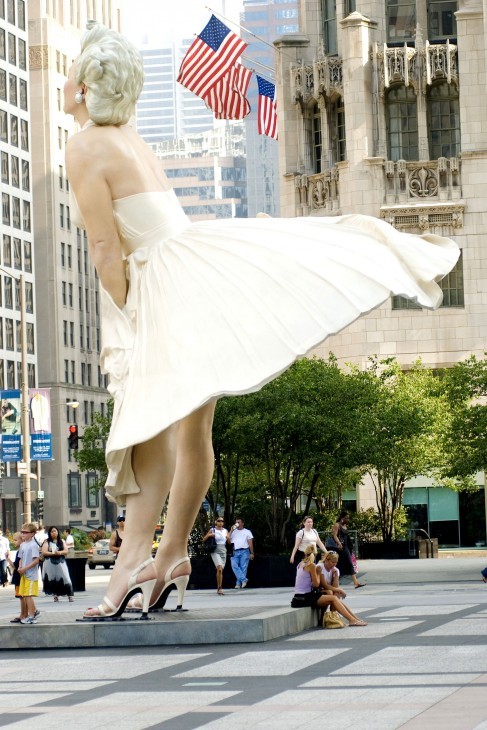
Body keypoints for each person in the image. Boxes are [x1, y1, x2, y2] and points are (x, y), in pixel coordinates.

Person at [63, 23, 458, 621]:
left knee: (147, 427)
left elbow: (103, 247)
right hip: (189, 267)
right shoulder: (132, 139)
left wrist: (126, 315)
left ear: (89, 87)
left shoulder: (87, 144)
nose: (67, 82)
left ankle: (132, 566)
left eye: (74, 72)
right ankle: (170, 557)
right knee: (192, 432)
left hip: (161, 286)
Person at [291, 545, 367, 626]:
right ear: (315, 555)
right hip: (305, 597)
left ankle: (353, 619)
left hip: (298, 597)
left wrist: (334, 575)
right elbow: (316, 584)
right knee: (333, 598)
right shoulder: (312, 565)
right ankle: (352, 620)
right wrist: (319, 573)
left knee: (333, 596)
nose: (334, 564)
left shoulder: (300, 564)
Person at [330, 511, 365, 589]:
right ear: (342, 518)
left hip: (345, 547)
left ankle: (355, 583)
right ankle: (332, 583)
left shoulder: (345, 525)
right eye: (346, 518)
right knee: (338, 565)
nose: (348, 519)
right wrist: (339, 543)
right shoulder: (337, 525)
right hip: (339, 548)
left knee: (349, 564)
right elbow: (335, 535)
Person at [42, 526, 74, 602]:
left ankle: (70, 595)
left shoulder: (62, 541)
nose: (53, 533)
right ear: (49, 533)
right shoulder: (47, 541)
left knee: (66, 577)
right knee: (52, 579)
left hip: (61, 562)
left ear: (57, 532)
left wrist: (59, 552)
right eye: (52, 531)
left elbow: (66, 551)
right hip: (50, 563)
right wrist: (53, 554)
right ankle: (55, 595)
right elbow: (44, 552)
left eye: (55, 531)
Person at [17, 522, 40, 624]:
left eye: (25, 532)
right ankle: (34, 611)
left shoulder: (34, 545)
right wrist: (20, 567)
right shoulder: (22, 545)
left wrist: (25, 568)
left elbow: (36, 561)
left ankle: (32, 615)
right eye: (22, 532)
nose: (23, 534)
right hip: (24, 574)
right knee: (25, 594)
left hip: (31, 574)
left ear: (32, 534)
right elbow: (21, 558)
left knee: (28, 595)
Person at [203, 517, 229, 595]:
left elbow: (229, 542)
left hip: (223, 549)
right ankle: (220, 588)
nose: (220, 522)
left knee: (221, 570)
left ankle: (219, 587)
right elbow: (204, 539)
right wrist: (210, 535)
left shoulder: (225, 531)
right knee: (219, 568)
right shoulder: (213, 530)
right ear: (216, 522)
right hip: (215, 549)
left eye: (222, 521)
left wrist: (228, 538)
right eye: (219, 521)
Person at [229, 518, 254, 588]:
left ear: (243, 523)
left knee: (243, 568)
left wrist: (251, 553)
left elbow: (250, 543)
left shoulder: (247, 531)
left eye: (239, 522)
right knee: (234, 566)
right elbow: (227, 538)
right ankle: (244, 580)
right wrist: (231, 530)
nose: (237, 524)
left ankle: (238, 584)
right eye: (236, 522)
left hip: (244, 551)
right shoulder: (233, 531)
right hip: (235, 551)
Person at [8, 532, 24, 623]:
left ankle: (23, 615)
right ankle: (22, 614)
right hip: (19, 576)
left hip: (19, 576)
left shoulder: (21, 551)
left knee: (22, 597)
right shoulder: (20, 551)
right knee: (21, 597)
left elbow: (15, 566)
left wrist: (8, 559)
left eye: (15, 540)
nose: (14, 542)